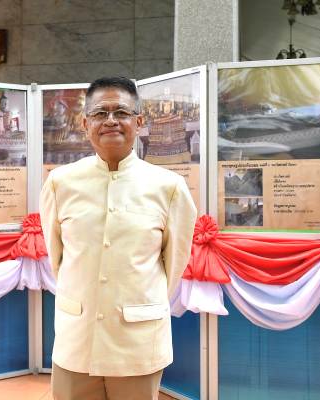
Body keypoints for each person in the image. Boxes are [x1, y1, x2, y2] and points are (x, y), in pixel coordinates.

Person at [40, 76, 197, 400]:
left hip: (138, 342)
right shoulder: (60, 183)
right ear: (85, 123)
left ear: (138, 122)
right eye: (100, 113)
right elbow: (58, 259)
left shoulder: (168, 187)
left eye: (121, 112)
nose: (110, 120)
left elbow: (174, 266)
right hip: (77, 337)